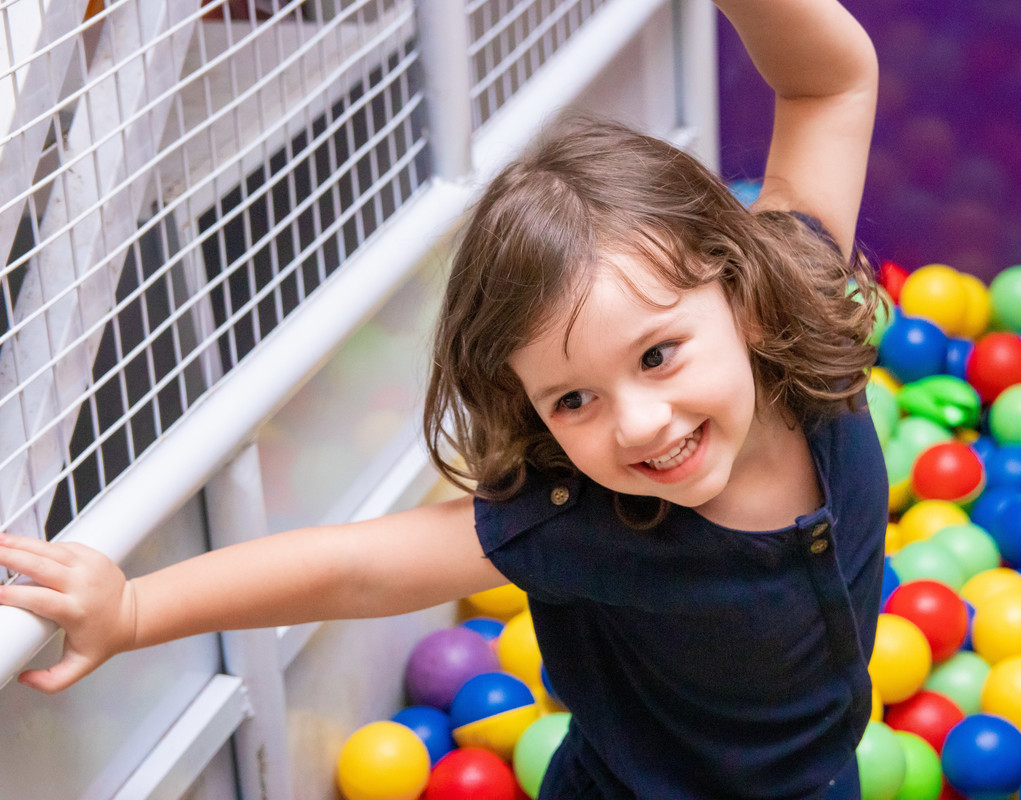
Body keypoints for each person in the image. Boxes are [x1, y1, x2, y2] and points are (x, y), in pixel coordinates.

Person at [0, 0, 885, 796]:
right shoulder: (577, 518)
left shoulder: (797, 307)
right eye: (573, 399)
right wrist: (135, 609)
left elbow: (829, 83)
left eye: (658, 354)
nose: (640, 422)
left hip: (818, 776)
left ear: (744, 299)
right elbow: (355, 568)